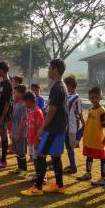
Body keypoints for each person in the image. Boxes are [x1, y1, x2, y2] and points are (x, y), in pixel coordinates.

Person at [21, 58, 68, 196]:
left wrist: (42, 128)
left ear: (55, 70)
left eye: (49, 68)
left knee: (40, 154)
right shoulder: (62, 85)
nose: (48, 71)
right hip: (59, 128)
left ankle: (38, 187)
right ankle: (59, 185)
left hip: (53, 128)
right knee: (55, 156)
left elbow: (52, 110)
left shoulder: (57, 87)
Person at [77, 86, 105, 186]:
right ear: (89, 98)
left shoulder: (102, 111)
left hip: (98, 140)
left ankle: (104, 178)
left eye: (96, 97)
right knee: (89, 156)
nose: (94, 99)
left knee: (102, 158)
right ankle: (88, 173)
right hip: (89, 139)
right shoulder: (90, 109)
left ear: (101, 97)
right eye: (92, 97)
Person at [63, 76, 85, 174]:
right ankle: (72, 165)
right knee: (68, 146)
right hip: (65, 126)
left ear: (69, 86)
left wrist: (84, 125)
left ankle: (73, 166)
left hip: (72, 127)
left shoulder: (77, 98)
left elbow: (79, 113)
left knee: (71, 146)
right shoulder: (67, 96)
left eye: (65, 85)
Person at [24, 91, 44, 180]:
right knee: (34, 159)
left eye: (25, 102)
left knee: (39, 160)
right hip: (31, 140)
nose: (24, 104)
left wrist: (37, 139)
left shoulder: (38, 112)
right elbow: (29, 126)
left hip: (37, 141)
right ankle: (37, 175)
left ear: (29, 101)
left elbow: (40, 127)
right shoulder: (30, 111)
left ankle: (42, 177)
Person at [10, 85, 28, 177]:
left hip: (20, 134)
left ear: (21, 94)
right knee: (17, 151)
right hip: (14, 132)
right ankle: (19, 168)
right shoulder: (16, 104)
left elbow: (24, 120)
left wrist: (18, 133)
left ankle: (24, 171)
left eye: (15, 92)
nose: (14, 94)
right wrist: (12, 132)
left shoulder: (23, 106)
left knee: (21, 152)